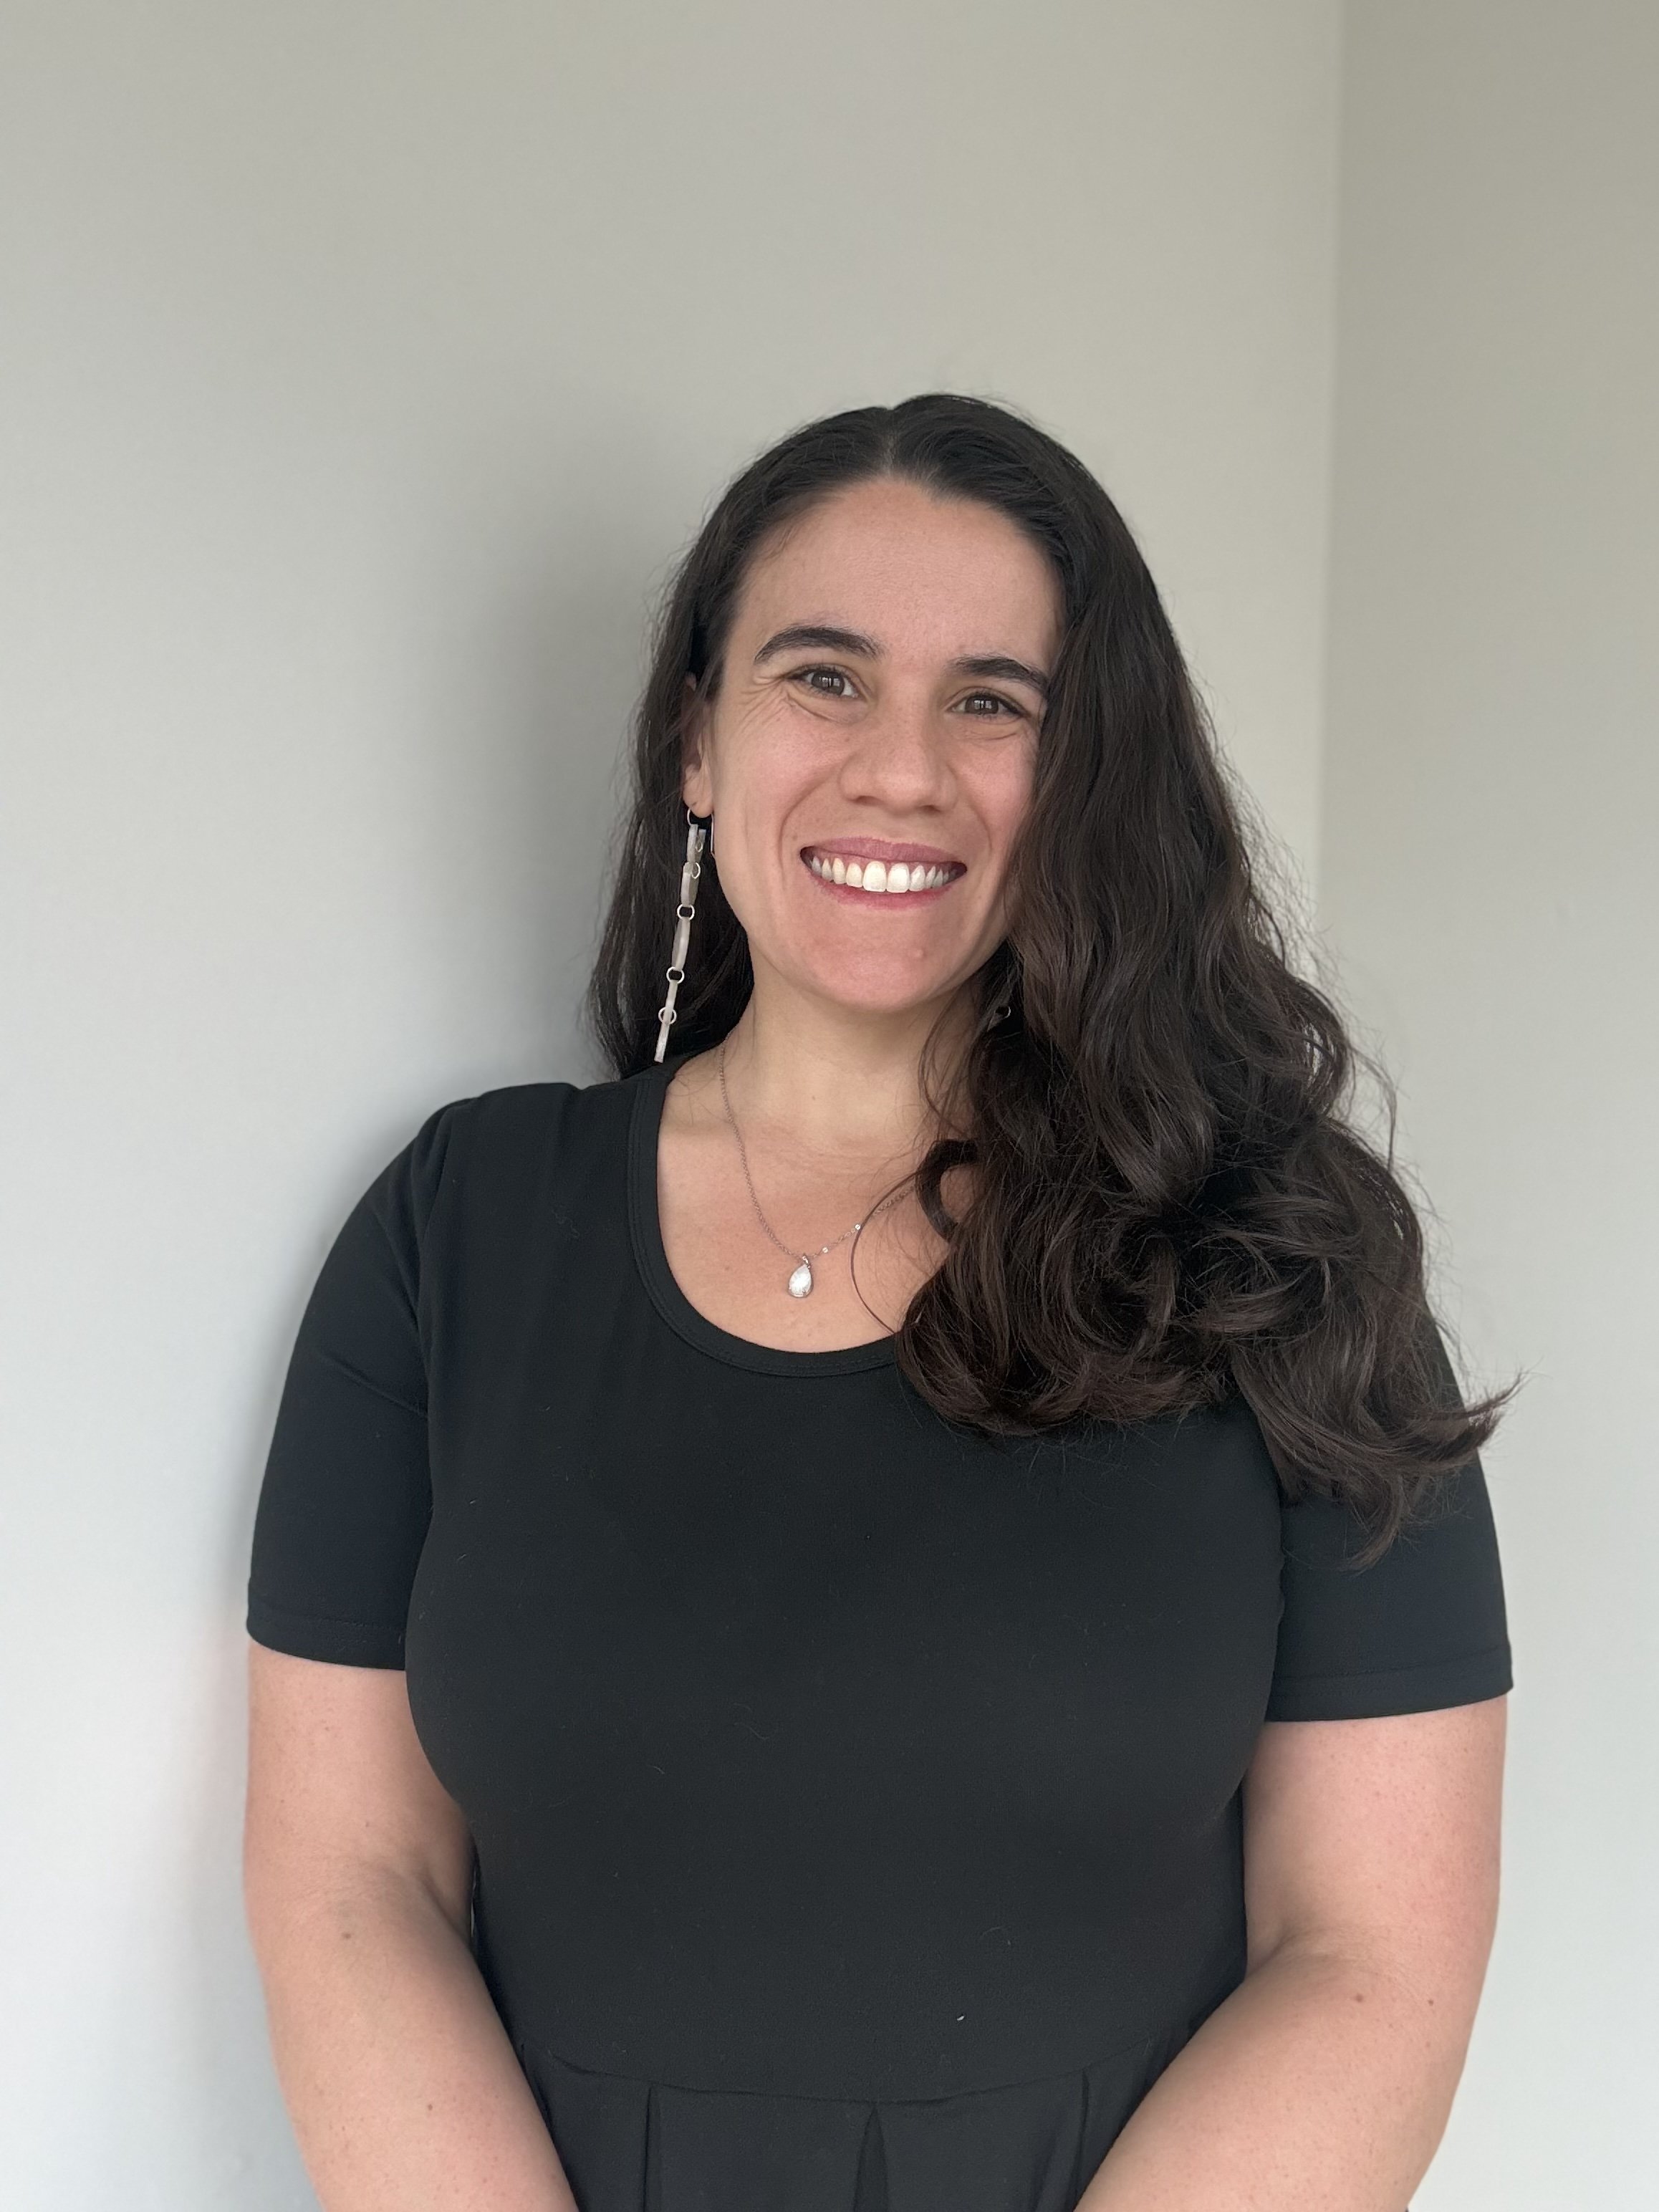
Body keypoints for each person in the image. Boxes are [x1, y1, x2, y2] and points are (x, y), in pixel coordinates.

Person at [242, 393, 1514, 2212]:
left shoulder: (1291, 1266)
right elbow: (348, 1877)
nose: (900, 768)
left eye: (994, 701)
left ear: (1086, 781)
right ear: (697, 739)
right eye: (822, 677)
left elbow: (1374, 1959)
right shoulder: (454, 1234)